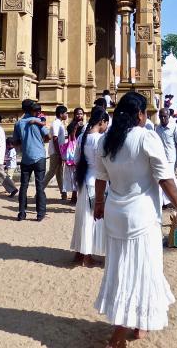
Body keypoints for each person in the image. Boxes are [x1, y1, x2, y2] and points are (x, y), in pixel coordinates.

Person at [92, 92, 177, 347]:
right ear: (140, 115)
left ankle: (140, 323)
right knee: (140, 271)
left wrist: (98, 204)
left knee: (122, 269)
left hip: (115, 212)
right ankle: (119, 335)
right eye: (145, 112)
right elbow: (164, 178)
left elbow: (100, 177)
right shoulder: (146, 137)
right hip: (142, 217)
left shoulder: (106, 140)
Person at [70, 106, 109, 267]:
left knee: (82, 218)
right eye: (106, 123)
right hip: (97, 182)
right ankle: (87, 255)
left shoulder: (82, 137)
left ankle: (80, 253)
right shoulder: (100, 139)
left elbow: (77, 159)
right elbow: (105, 164)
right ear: (102, 122)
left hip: (84, 180)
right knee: (92, 220)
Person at [13, 101, 51, 222]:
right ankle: (40, 213)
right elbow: (48, 136)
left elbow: (15, 142)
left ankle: (21, 213)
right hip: (39, 156)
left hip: (26, 158)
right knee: (39, 185)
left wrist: (25, 142)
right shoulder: (37, 122)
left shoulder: (18, 123)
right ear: (32, 110)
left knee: (24, 186)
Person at [155, 108, 177, 206]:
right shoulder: (157, 128)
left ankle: (173, 201)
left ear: (169, 116)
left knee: (171, 179)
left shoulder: (174, 127)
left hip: (171, 158)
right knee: (161, 179)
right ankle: (164, 202)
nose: (163, 118)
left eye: (165, 116)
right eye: (161, 116)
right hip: (160, 158)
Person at [43, 105, 68, 200]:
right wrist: (59, 153)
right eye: (66, 113)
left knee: (59, 173)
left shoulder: (60, 123)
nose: (66, 115)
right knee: (51, 172)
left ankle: (63, 192)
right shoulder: (56, 123)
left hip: (58, 151)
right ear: (61, 114)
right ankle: (40, 190)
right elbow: (55, 138)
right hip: (56, 152)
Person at [63, 108, 86, 204]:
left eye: (81, 114)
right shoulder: (71, 125)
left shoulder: (85, 126)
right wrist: (76, 126)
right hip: (73, 151)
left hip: (82, 150)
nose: (79, 116)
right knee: (73, 173)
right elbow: (72, 137)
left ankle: (80, 195)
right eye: (77, 114)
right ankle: (74, 195)